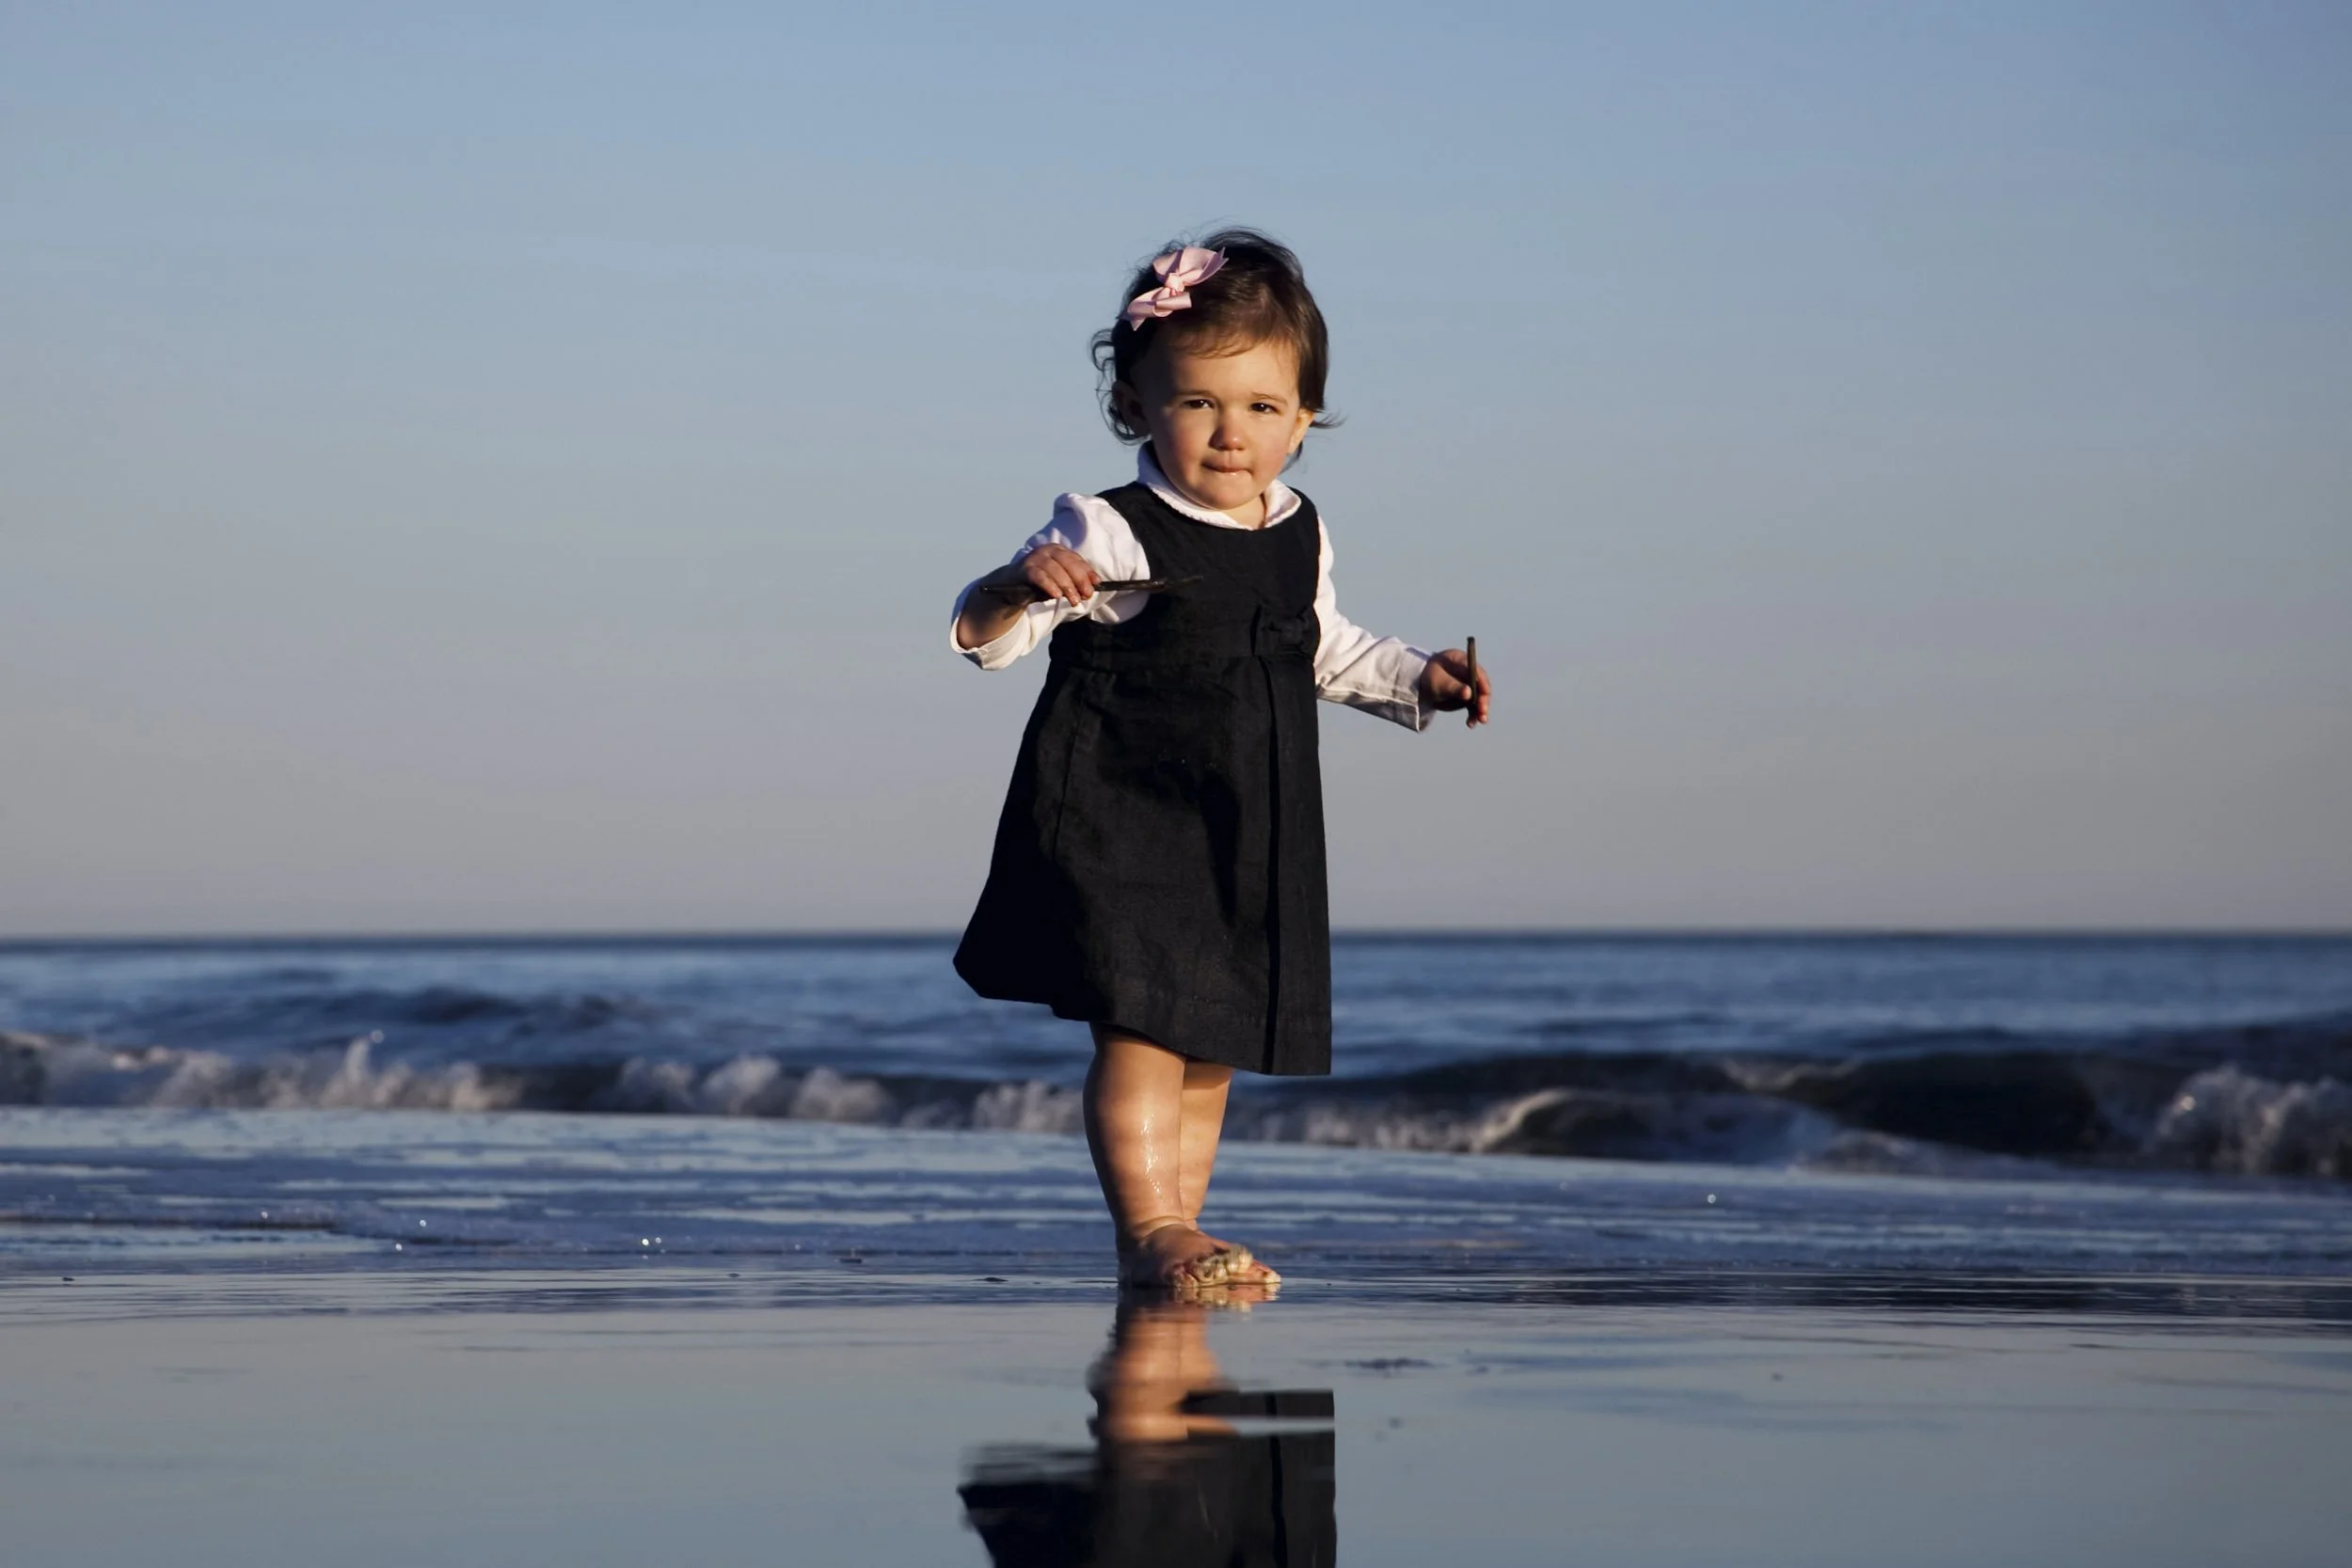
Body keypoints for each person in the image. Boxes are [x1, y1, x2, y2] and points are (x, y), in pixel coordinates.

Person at [950, 229, 1491, 1292]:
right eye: (1197, 402)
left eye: (1260, 407)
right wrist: (1018, 583)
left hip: (1248, 814)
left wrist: (1420, 678)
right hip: (1124, 811)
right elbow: (986, 635)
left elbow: (1324, 647)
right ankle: (1150, 1225)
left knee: (1209, 1039)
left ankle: (1176, 1231)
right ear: (1137, 408)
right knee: (1146, 1028)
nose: (1229, 432)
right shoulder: (1108, 526)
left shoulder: (1300, 532)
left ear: (1302, 417)